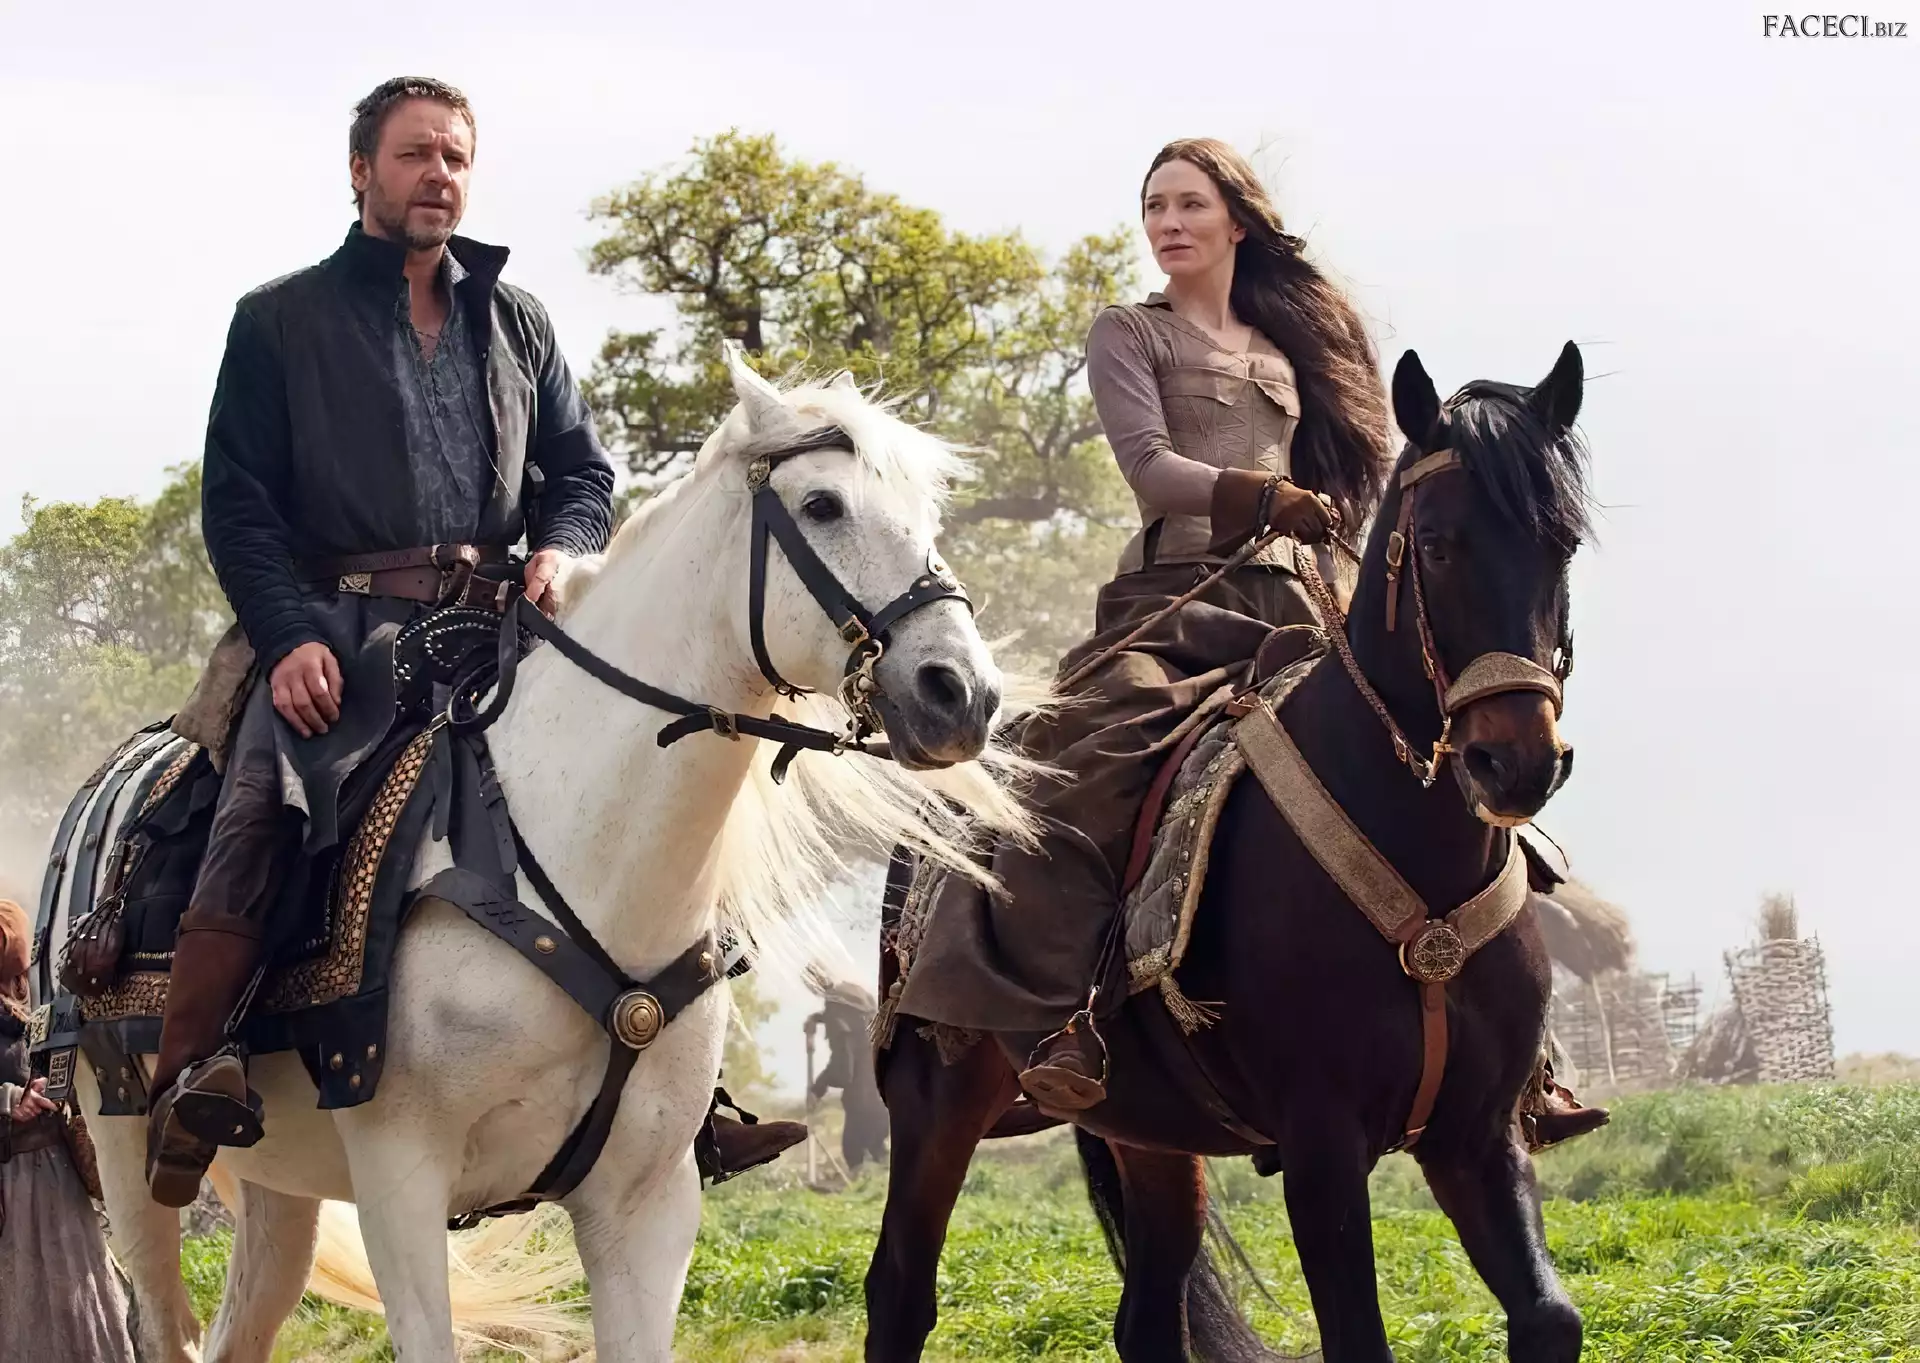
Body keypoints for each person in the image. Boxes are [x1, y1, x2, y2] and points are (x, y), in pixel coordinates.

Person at [147, 76, 799, 1207]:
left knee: (655, 787)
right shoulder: (278, 321)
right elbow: (238, 509)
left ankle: (692, 1094)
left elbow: (581, 471)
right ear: (362, 171)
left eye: (454, 156)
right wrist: (288, 637)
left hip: (503, 630)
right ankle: (193, 1070)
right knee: (263, 803)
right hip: (338, 634)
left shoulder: (518, 320)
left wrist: (561, 547)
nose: (437, 175)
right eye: (414, 155)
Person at [902, 138, 1386, 1111]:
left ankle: (1517, 1049)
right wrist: (1265, 496)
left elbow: (1347, 479)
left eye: (1189, 204)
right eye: (1155, 206)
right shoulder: (1130, 332)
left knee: (1435, 739)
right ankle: (1068, 1010)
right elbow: (1152, 470)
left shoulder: (1298, 346)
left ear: (1237, 221)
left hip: (1303, 604)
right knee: (1084, 755)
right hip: (1177, 602)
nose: (1168, 223)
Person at [3, 899, 138, 1362]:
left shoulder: (30, 1017)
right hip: (10, 1188)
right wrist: (10, 1100)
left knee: (75, 1310)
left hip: (54, 1180)